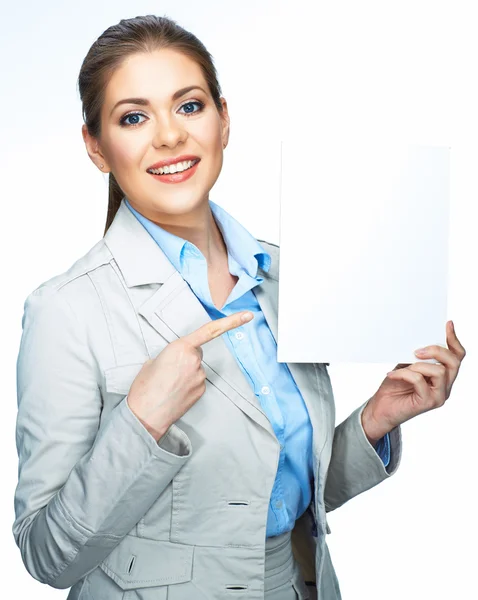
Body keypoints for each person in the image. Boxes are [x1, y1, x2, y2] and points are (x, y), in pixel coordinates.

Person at [12, 14, 466, 600]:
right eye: (133, 117)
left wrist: (375, 420)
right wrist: (141, 422)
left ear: (224, 121)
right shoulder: (65, 311)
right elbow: (46, 554)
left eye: (189, 106)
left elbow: (268, 498)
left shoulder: (285, 276)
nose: (170, 136)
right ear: (96, 148)